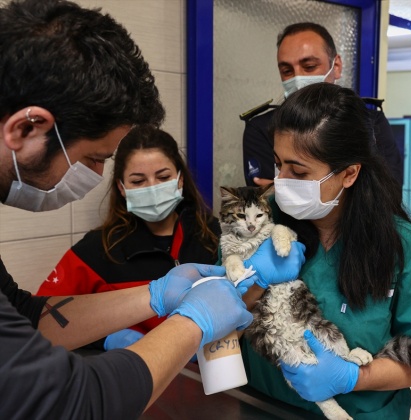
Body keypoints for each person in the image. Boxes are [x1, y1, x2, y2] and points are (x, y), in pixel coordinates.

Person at [0, 1, 304, 418]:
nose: (94, 174)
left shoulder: (211, 233)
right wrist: (193, 321)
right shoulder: (97, 249)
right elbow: (70, 403)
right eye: (94, 157)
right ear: (27, 129)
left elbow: (25, 315)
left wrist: (154, 295)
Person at [240, 82, 411, 419]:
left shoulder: (401, 245)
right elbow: (220, 321)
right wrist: (255, 282)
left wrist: (352, 377)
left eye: (298, 171)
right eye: (278, 165)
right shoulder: (260, 219)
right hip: (265, 406)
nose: (282, 180)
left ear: (349, 173)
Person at [36, 125, 223, 352]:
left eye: (163, 177)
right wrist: (104, 338)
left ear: (180, 180)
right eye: (138, 181)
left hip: (205, 376)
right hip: (131, 375)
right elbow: (42, 320)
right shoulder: (98, 250)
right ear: (121, 188)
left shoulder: (214, 235)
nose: (153, 188)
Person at [241, 21, 404, 188]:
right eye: (287, 71)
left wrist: (290, 190)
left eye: (309, 67)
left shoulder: (371, 123)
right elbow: (265, 200)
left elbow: (389, 193)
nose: (297, 79)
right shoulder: (263, 128)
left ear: (336, 66)